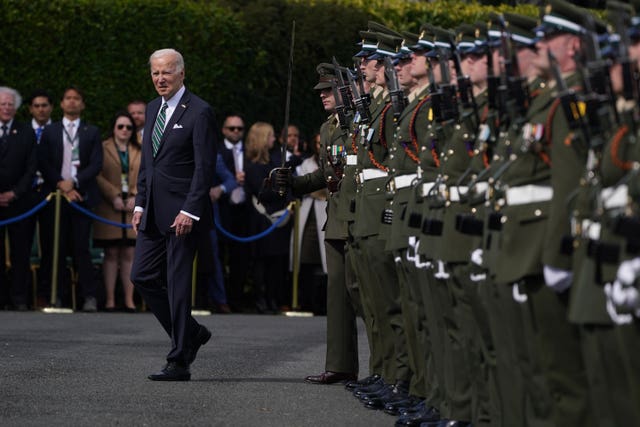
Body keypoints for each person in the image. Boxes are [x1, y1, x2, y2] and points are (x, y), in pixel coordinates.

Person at [130, 48, 216, 381]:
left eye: (166, 72)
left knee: (178, 286)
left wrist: (190, 210)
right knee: (142, 276)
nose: (160, 79)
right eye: (155, 73)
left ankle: (179, 360)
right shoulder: (152, 109)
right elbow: (148, 164)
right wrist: (140, 203)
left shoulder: (200, 111)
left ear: (181, 73)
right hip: (152, 212)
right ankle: (191, 333)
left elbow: (203, 167)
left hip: (183, 215)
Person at [38, 86, 103, 312]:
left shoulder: (91, 131)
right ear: (62, 104)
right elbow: (43, 163)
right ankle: (55, 296)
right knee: (54, 247)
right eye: (68, 98)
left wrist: (73, 183)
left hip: (81, 198)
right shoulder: (51, 131)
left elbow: (96, 164)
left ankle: (88, 297)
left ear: (82, 104)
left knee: (81, 248)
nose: (72, 102)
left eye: (77, 98)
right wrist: (62, 185)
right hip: (55, 198)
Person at [93, 111, 141, 312]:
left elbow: (147, 175)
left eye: (128, 127)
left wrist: (136, 196)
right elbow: (97, 174)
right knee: (111, 252)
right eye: (120, 126)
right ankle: (111, 299)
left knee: (130, 253)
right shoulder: (102, 148)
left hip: (132, 208)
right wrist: (113, 195)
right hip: (109, 207)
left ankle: (129, 300)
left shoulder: (140, 149)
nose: (124, 130)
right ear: (113, 128)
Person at [244, 121, 293, 313]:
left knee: (277, 262)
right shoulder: (252, 166)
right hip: (262, 218)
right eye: (271, 135)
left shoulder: (275, 161)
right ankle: (261, 299)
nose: (274, 139)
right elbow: (262, 191)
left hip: (280, 217)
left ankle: (273, 298)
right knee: (261, 261)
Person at [0, 87, 38, 311]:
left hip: (19, 202)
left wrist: (14, 193)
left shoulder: (26, 132)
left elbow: (31, 168)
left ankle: (19, 297)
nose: (6, 108)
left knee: (20, 252)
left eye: (10, 104)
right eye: (2, 104)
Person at [217, 113, 252, 311]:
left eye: (239, 128)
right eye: (232, 128)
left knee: (242, 257)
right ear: (224, 130)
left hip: (244, 210)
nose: (236, 132)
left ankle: (237, 299)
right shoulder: (217, 151)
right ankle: (221, 299)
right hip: (222, 209)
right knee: (220, 254)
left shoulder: (250, 151)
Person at [292, 132, 328, 314]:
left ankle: (324, 303)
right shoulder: (306, 164)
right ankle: (307, 301)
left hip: (326, 213)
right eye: (317, 143)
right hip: (309, 215)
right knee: (306, 259)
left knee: (327, 262)